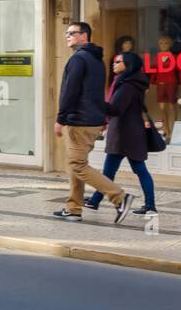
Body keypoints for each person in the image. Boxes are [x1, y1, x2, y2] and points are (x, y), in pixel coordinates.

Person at [53, 21, 135, 223]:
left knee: (78, 165)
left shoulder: (79, 59)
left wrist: (60, 118)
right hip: (90, 119)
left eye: (72, 33)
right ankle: (73, 208)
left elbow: (70, 91)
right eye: (66, 33)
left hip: (80, 121)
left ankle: (120, 198)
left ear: (84, 36)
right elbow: (96, 93)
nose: (67, 36)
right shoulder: (96, 59)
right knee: (75, 164)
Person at [86, 51, 157, 215]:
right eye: (115, 60)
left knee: (132, 170)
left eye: (119, 61)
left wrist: (96, 101)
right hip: (128, 132)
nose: (114, 63)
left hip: (124, 134)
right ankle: (95, 201)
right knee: (115, 170)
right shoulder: (130, 82)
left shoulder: (127, 85)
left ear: (128, 65)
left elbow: (116, 108)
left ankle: (150, 206)